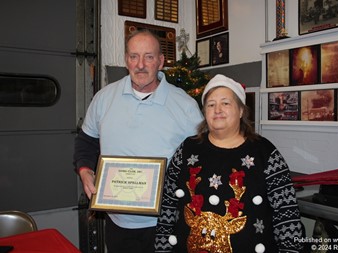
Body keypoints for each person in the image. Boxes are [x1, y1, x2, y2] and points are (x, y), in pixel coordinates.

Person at [73, 29, 204, 253]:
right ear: (126, 60)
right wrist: (85, 170)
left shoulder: (185, 105)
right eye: (134, 56)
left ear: (161, 61)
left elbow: (202, 156)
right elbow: (87, 141)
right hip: (117, 222)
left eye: (149, 57)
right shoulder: (104, 98)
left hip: (167, 222)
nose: (140, 64)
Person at [155, 74, 305, 253]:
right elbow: (168, 206)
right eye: (211, 104)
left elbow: (287, 215)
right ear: (205, 113)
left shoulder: (265, 153)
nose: (217, 109)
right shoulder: (187, 149)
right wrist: (162, 248)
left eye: (225, 103)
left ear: (241, 110)